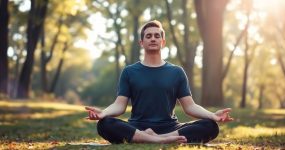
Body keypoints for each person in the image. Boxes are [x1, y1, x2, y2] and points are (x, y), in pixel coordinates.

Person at [85, 20, 233, 144]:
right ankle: (155, 139)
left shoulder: (177, 72)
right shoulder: (129, 72)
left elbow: (190, 107)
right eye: (148, 36)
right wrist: (103, 113)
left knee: (210, 126)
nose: (153, 38)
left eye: (157, 36)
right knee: (104, 124)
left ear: (163, 42)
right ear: (142, 42)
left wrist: (213, 116)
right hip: (137, 127)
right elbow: (119, 105)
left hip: (171, 128)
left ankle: (157, 138)